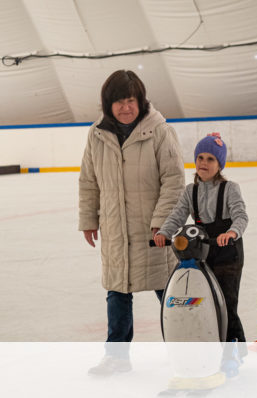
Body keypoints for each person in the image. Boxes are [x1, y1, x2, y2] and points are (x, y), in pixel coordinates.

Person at [79, 70, 185, 376]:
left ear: (140, 101)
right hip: (115, 229)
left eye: (131, 100)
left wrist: (162, 223)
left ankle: (184, 351)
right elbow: (89, 180)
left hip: (154, 232)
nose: (126, 108)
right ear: (107, 104)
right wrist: (89, 218)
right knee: (117, 292)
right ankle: (117, 357)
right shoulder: (97, 134)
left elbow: (174, 180)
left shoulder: (159, 131)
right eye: (119, 102)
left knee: (168, 291)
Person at [153, 133, 248, 376]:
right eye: (200, 158)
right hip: (202, 253)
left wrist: (232, 233)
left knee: (226, 303)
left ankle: (231, 353)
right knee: (205, 303)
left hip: (228, 254)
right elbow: (177, 215)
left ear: (220, 165)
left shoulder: (229, 189)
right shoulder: (190, 191)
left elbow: (240, 216)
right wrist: (164, 233)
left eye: (210, 159)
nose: (204, 163)